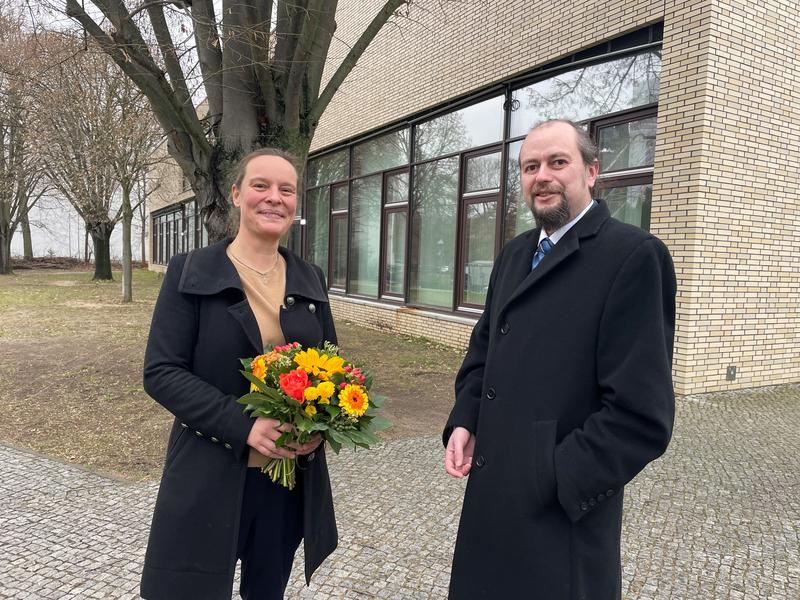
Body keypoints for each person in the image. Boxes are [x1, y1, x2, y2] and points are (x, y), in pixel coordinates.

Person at [443, 120, 676, 599]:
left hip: (560, 522)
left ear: (591, 172)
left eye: (557, 162)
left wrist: (551, 476)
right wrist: (465, 418)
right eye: (530, 167)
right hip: (490, 503)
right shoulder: (514, 254)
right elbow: (483, 349)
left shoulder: (632, 257)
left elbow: (640, 416)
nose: (542, 176)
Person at [140, 148, 338, 600]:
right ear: (235, 194)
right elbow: (162, 371)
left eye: (286, 189)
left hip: (283, 485)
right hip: (208, 475)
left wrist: (318, 429)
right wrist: (244, 426)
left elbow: (332, 369)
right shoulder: (190, 272)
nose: (274, 198)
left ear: (296, 202)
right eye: (260, 186)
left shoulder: (310, 278)